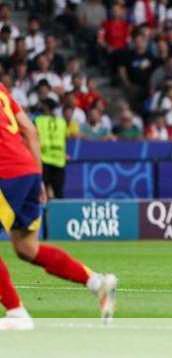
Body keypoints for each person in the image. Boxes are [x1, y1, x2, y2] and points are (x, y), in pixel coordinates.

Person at [0, 83, 117, 329]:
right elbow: (30, 131)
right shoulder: (2, 90)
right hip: (28, 170)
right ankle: (98, 283)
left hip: (5, 173)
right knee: (26, 247)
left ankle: (16, 312)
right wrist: (39, 178)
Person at [34, 98, 68, 199]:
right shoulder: (62, 122)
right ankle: (60, 213)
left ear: (46, 107)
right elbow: (65, 139)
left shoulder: (38, 120)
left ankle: (46, 213)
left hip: (44, 158)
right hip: (59, 160)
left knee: (43, 189)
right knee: (59, 191)